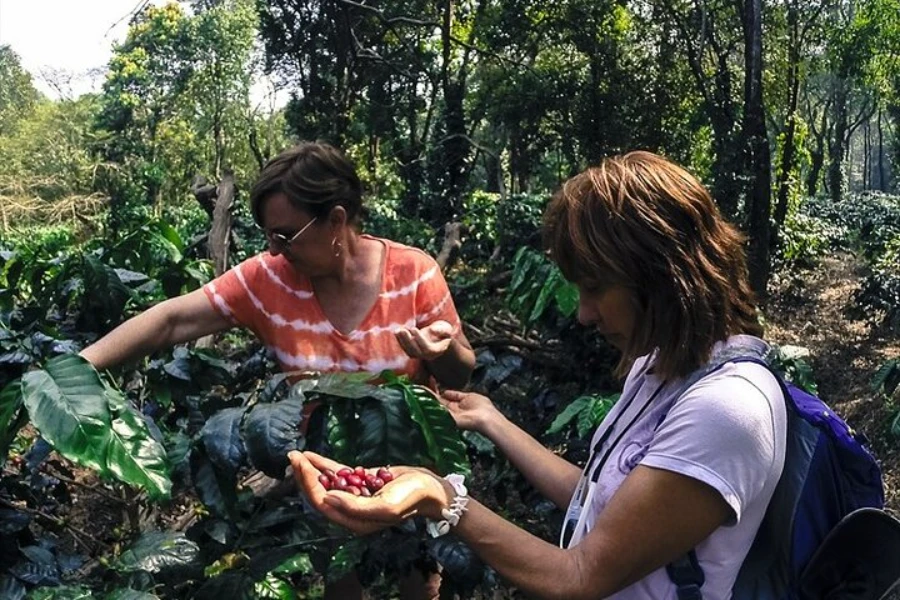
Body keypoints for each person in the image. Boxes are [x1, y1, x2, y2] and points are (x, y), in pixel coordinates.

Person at [290, 151, 789, 599]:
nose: (584, 314)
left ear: (662, 278)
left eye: (594, 289)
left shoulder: (726, 409)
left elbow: (579, 576)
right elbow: (599, 500)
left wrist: (442, 498)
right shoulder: (664, 368)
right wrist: (493, 420)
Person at [80, 141, 476, 600]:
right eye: (268, 235)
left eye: (285, 235)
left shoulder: (413, 273)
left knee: (418, 590)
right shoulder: (268, 279)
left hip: (414, 482)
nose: (274, 249)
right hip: (328, 483)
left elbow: (460, 373)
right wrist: (76, 368)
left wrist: (441, 350)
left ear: (336, 220)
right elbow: (173, 319)